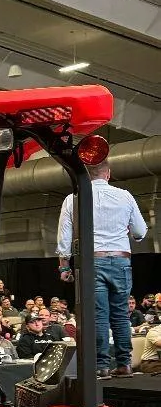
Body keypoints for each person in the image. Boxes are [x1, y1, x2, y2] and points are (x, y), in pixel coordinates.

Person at [58, 158, 148, 377]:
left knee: (98, 315)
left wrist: (63, 265)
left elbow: (65, 234)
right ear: (108, 174)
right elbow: (140, 232)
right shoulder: (125, 195)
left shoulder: (73, 199)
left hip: (92, 261)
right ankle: (125, 364)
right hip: (120, 261)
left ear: (85, 176)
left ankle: (101, 366)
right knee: (121, 315)